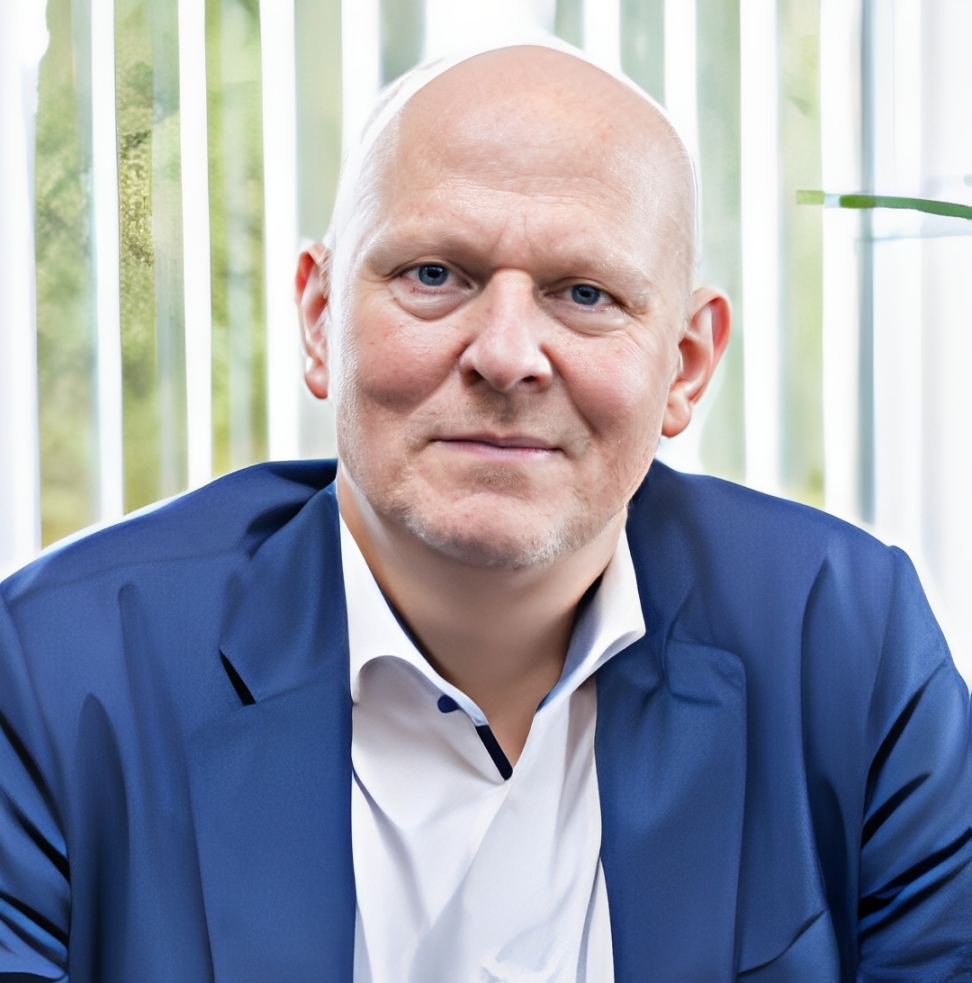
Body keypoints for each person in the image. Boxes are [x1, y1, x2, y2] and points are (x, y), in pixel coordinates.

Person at [1, 43, 970, 983]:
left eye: (585, 293)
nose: (506, 356)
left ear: (684, 366)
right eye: (435, 275)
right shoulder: (49, 670)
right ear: (319, 320)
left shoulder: (848, 641)